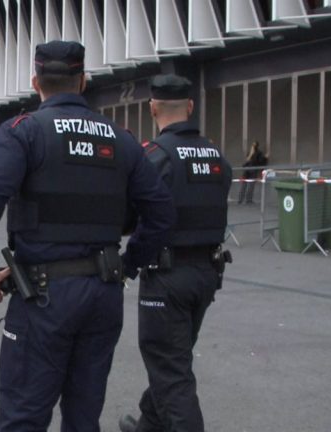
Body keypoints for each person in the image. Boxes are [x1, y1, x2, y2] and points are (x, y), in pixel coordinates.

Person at [0, 40, 175, 432]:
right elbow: (160, 212)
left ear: (35, 81)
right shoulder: (120, 138)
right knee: (83, 416)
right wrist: (127, 266)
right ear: (84, 81)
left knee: (24, 415)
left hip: (44, 296)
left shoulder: (24, 133)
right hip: (103, 296)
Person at [119, 74, 232, 432]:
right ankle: (148, 426)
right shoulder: (216, 155)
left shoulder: (154, 157)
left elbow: (130, 215)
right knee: (172, 361)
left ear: (152, 108)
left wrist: (127, 262)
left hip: (167, 278)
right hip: (206, 274)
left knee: (170, 370)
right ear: (191, 106)